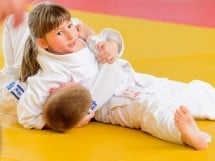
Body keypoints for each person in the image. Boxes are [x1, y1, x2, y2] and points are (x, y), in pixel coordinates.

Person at [8, 1, 215, 151]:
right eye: (60, 33)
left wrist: (111, 47)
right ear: (42, 42)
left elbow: (100, 37)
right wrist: (68, 120)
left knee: (179, 90)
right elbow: (26, 115)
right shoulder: (51, 74)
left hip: (127, 77)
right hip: (107, 102)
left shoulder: (75, 32)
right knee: (147, 108)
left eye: (69, 26)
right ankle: (184, 135)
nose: (70, 34)